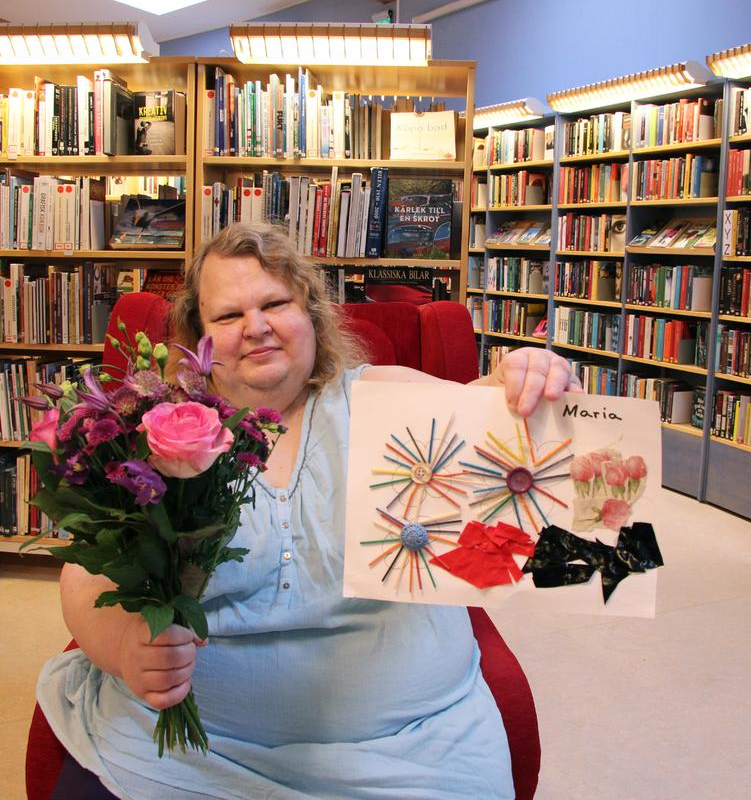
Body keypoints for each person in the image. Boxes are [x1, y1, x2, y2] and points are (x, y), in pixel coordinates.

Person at [38, 222, 582, 799]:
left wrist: (519, 380)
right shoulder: (153, 431)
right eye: (227, 317)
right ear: (197, 340)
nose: (256, 328)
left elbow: (484, 416)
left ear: (312, 314)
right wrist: (122, 648)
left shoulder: (384, 397)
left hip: (409, 753)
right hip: (188, 755)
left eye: (276, 303)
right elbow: (87, 569)